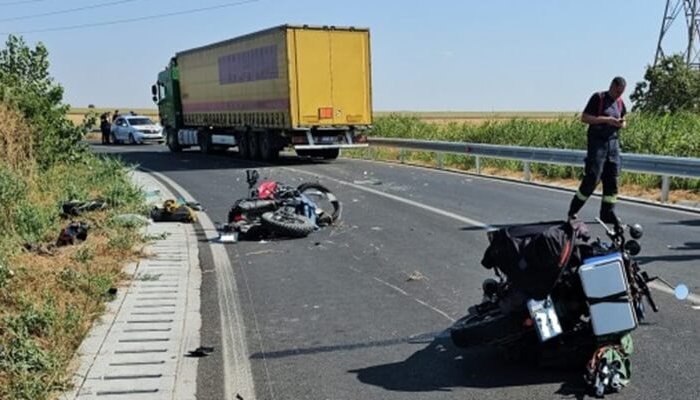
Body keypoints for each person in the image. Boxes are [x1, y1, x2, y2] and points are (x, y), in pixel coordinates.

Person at [567, 77, 628, 224]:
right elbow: (585, 117)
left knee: (612, 180)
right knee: (592, 178)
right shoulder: (598, 98)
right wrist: (606, 120)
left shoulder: (620, 103)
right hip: (597, 144)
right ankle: (573, 211)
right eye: (617, 91)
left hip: (613, 145)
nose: (619, 95)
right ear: (612, 86)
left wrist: (622, 123)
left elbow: (624, 118)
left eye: (622, 92)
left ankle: (607, 213)